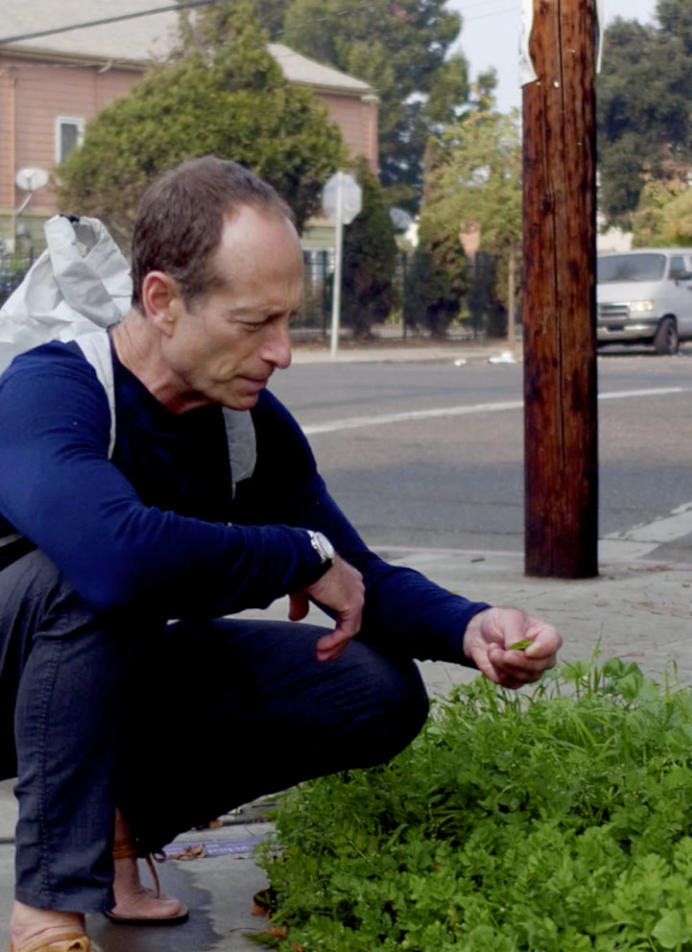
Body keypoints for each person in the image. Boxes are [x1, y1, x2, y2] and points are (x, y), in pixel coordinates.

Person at [0, 156, 562, 952]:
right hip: (6, 673)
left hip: (98, 675)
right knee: (82, 576)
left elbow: (352, 574)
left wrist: (470, 626)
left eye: (288, 320)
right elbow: (111, 557)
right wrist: (291, 555)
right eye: (253, 323)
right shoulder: (51, 389)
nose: (283, 352)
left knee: (376, 689)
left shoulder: (245, 425)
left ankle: (121, 820)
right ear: (162, 300)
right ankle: (48, 913)